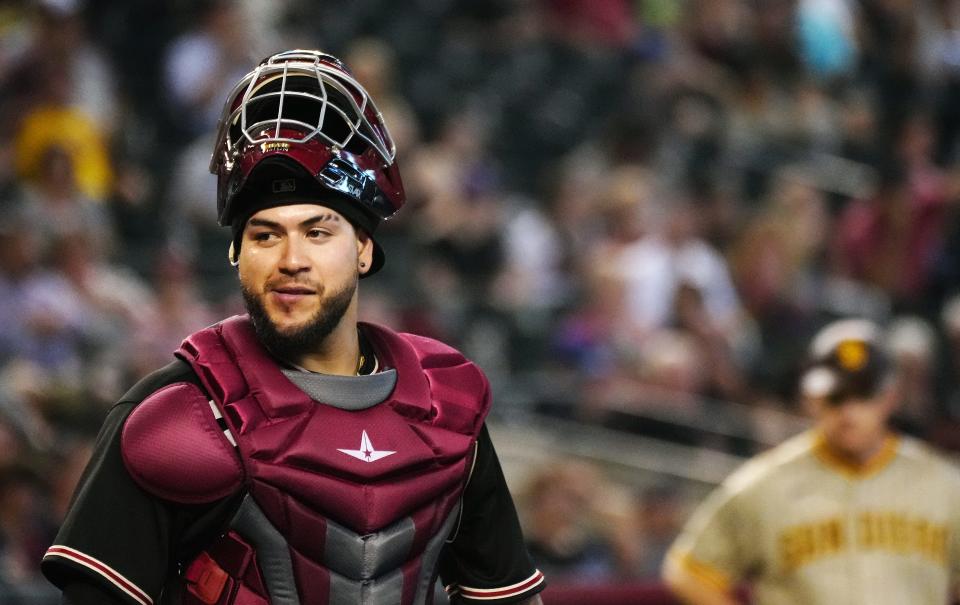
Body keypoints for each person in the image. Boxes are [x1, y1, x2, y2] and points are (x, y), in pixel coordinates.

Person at [40, 50, 546, 605]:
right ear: (236, 252)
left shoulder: (447, 406)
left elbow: (508, 597)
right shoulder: (178, 411)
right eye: (264, 235)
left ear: (364, 249)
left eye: (318, 232)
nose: (291, 259)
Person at [662, 318, 960, 605]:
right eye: (836, 397)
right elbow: (688, 572)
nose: (849, 411)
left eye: (862, 395)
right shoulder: (767, 483)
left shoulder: (941, 483)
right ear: (811, 397)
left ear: (890, 397)